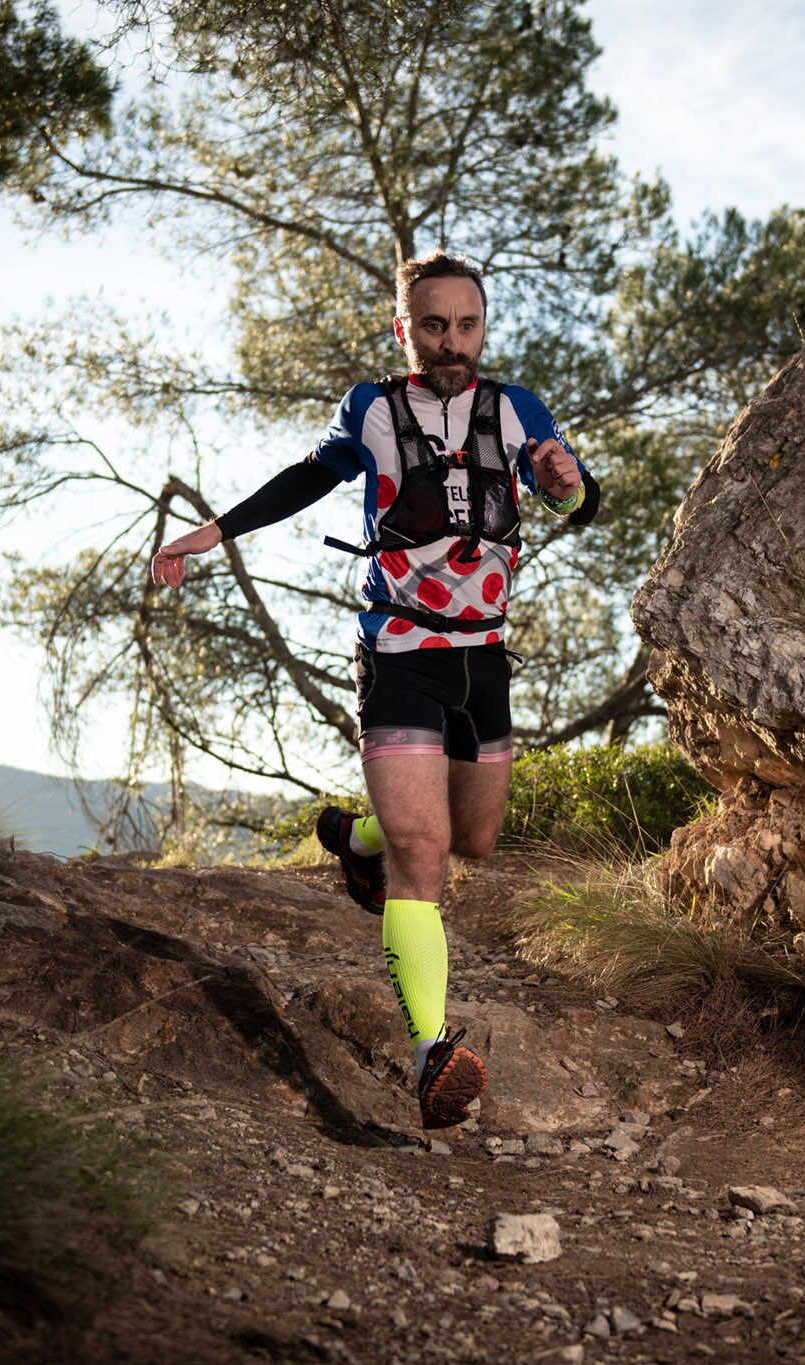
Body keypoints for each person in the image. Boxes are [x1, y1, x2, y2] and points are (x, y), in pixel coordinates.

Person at [150, 250, 599, 1131]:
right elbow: (309, 476)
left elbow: (576, 497)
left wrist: (568, 485)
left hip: (484, 659)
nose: (451, 342)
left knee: (473, 838)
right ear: (405, 329)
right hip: (396, 647)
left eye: (466, 325)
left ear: (481, 328)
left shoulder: (515, 409)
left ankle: (358, 842)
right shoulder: (372, 407)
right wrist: (213, 533)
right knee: (424, 852)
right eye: (433, 325)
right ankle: (434, 1050)